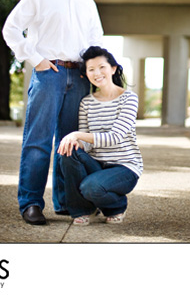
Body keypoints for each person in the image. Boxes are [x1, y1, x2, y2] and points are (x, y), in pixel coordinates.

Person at [2, 0, 103, 225]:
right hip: (49, 74)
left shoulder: (87, 2)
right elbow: (11, 29)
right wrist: (36, 60)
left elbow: (96, 39)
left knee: (70, 144)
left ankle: (66, 202)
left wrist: (94, 70)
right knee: (38, 141)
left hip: (79, 76)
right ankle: (31, 203)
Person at [57, 46, 143, 224]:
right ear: (86, 74)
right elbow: (87, 144)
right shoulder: (86, 102)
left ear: (113, 68)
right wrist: (75, 143)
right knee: (67, 150)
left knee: (90, 187)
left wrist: (76, 134)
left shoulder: (129, 98)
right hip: (96, 164)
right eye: (91, 69)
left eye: (102, 67)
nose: (97, 73)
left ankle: (117, 206)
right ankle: (81, 210)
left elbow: (115, 137)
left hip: (124, 167)